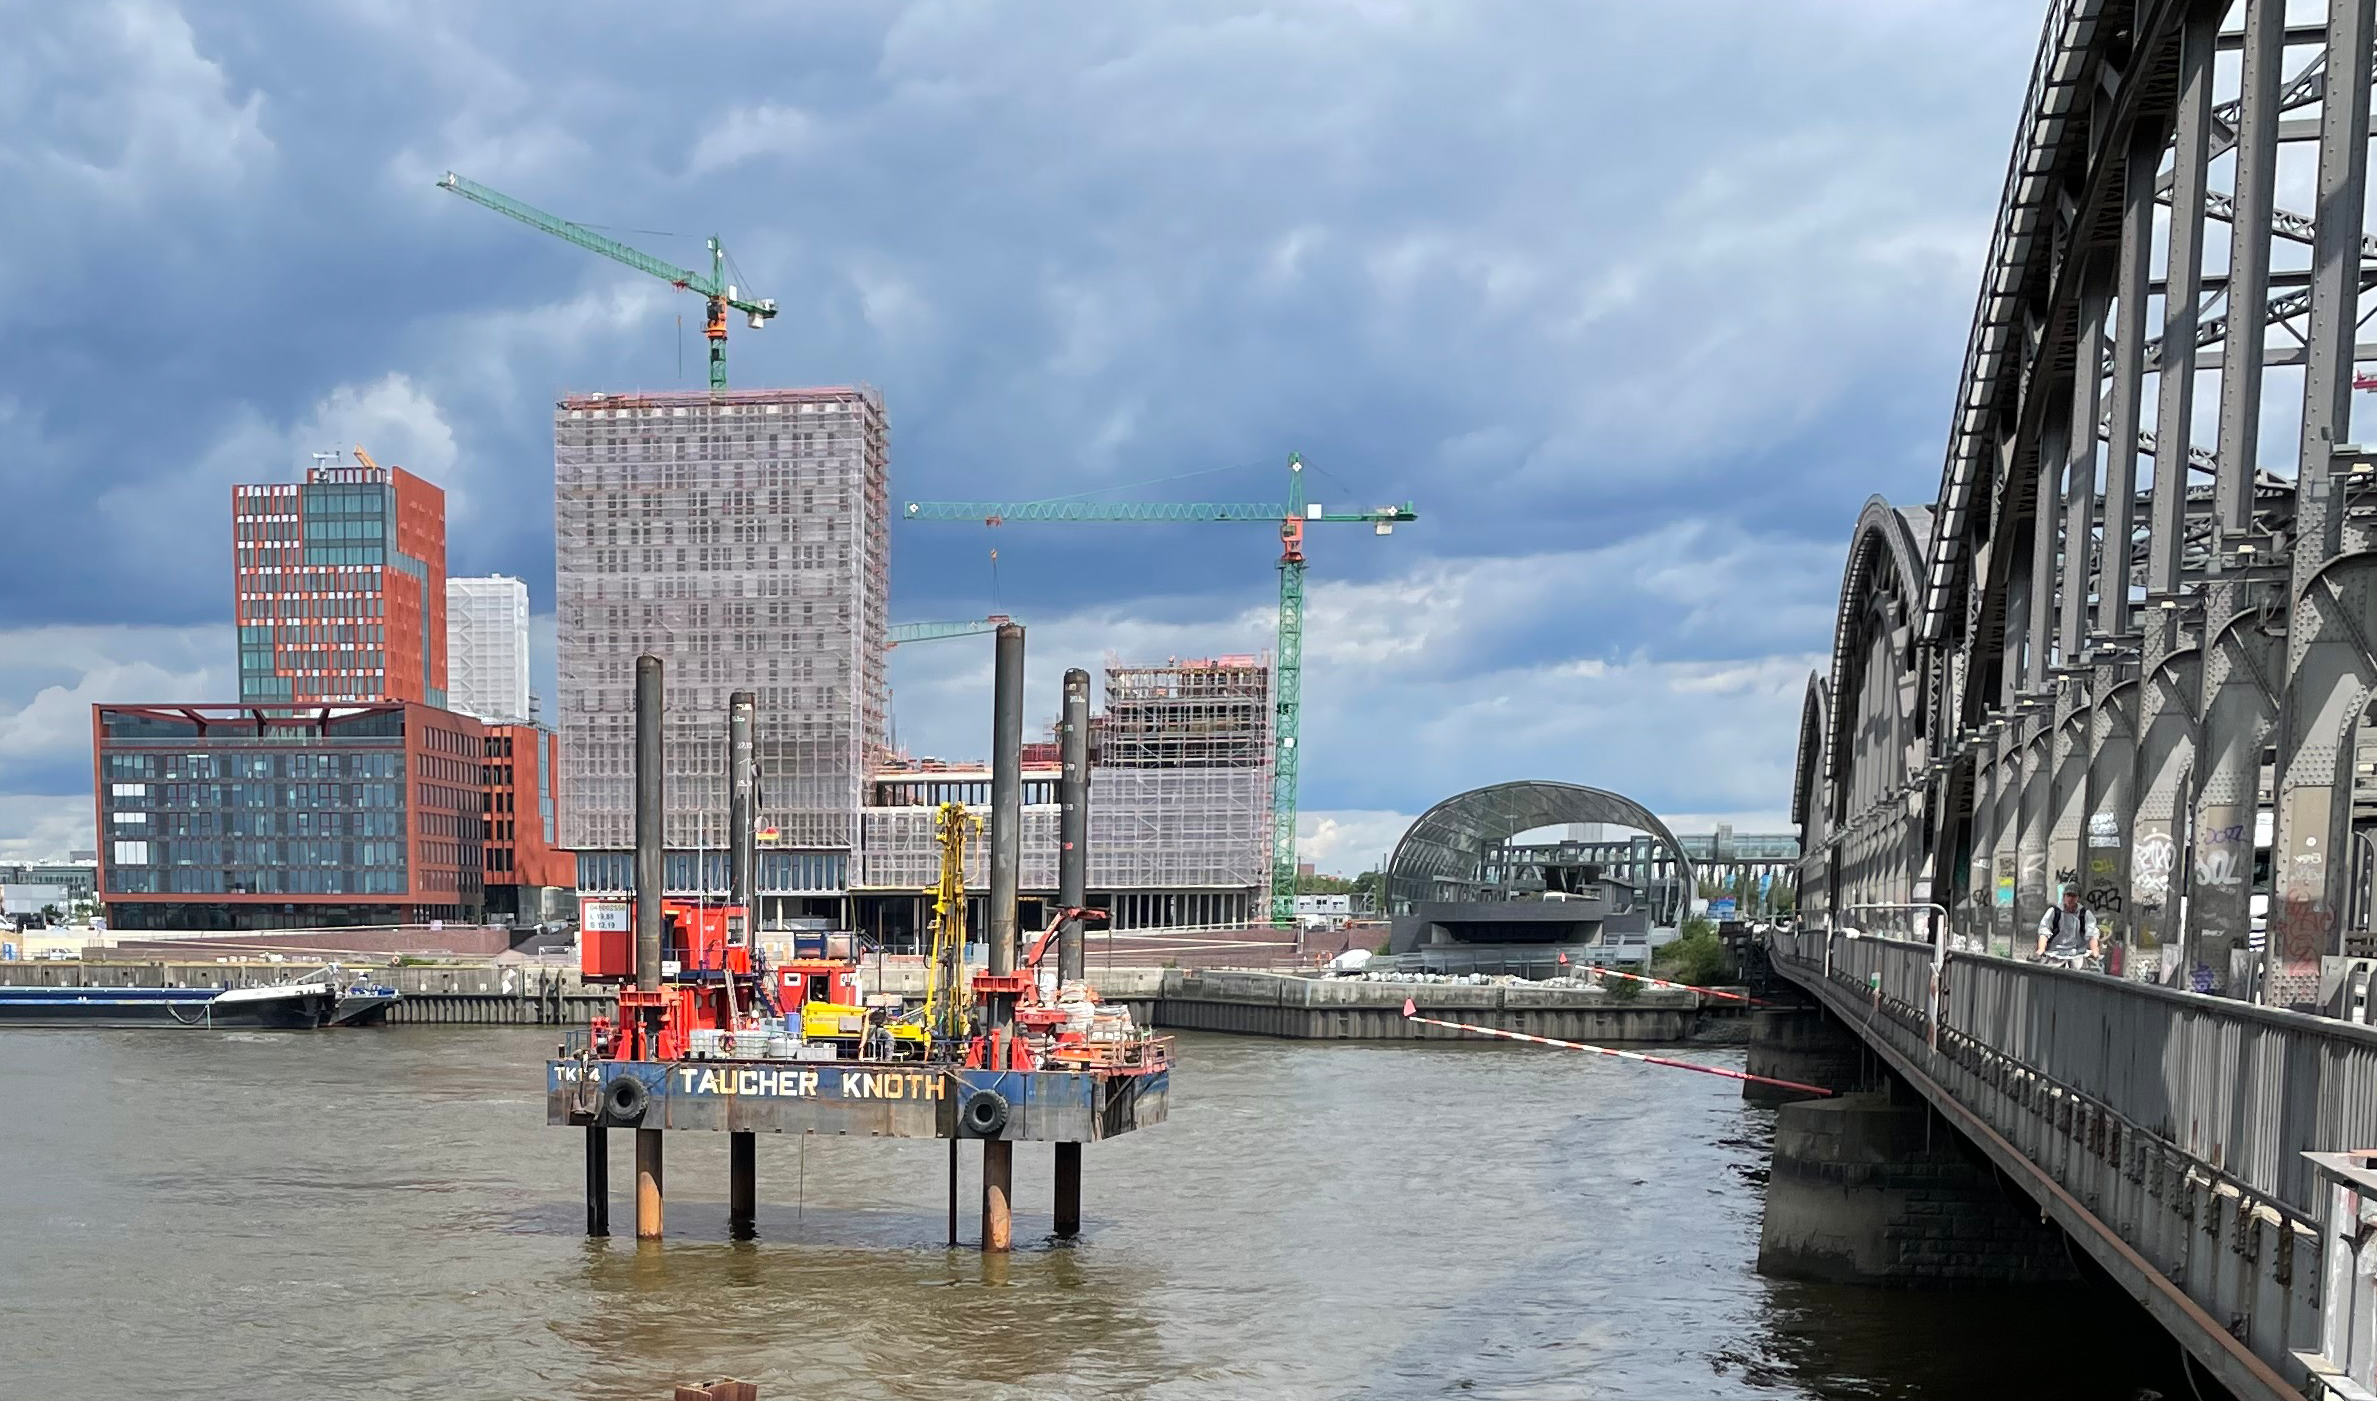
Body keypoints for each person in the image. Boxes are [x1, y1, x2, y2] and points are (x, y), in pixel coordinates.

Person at [2035, 885, 2100, 963]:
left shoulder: (2085, 913)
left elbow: (2092, 934)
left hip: (2078, 954)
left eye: (2074, 896)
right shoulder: (2054, 912)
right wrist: (2040, 950)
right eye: (2068, 895)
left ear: (2078, 898)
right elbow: (2044, 932)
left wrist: (2094, 951)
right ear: (2064, 896)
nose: (2070, 899)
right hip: (2055, 953)